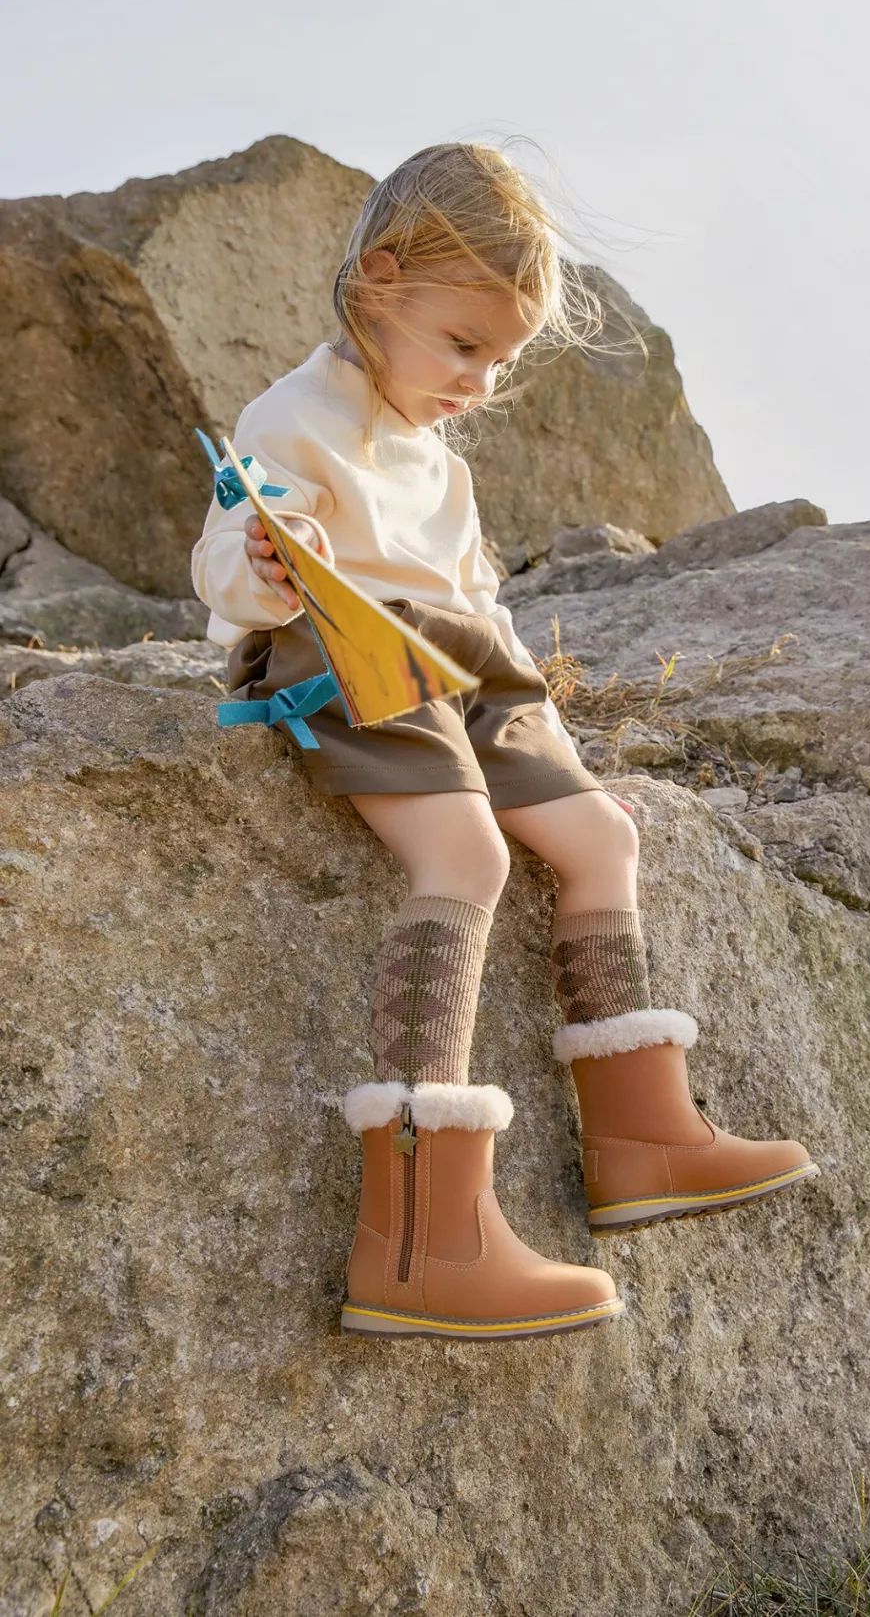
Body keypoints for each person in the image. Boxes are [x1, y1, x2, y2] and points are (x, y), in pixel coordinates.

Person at [191, 142, 819, 1344]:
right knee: (466, 858)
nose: (478, 382)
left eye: (502, 361)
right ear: (380, 281)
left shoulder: (443, 467)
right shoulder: (295, 414)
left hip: (466, 661)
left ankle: (642, 1139)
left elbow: (481, 605)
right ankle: (421, 1239)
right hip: (344, 642)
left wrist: (549, 741)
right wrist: (265, 565)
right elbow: (232, 550)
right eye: (462, 345)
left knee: (601, 838)